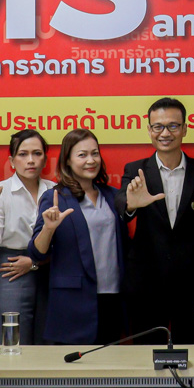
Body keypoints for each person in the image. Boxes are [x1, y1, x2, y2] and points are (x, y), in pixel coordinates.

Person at [117, 98, 194, 344]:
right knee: (145, 355)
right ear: (149, 130)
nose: (165, 133)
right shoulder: (136, 170)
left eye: (173, 126)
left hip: (192, 286)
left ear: (184, 129)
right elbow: (122, 205)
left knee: (190, 352)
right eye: (158, 126)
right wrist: (132, 203)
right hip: (146, 285)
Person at [28, 129, 132, 346]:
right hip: (73, 301)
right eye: (82, 155)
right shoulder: (55, 197)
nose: (90, 160)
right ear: (67, 160)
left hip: (113, 295)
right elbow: (37, 253)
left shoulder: (113, 195)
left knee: (110, 362)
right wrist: (48, 229)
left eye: (95, 153)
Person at [0, 129, 55, 346]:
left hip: (50, 268)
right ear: (11, 161)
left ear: (45, 159)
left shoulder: (56, 191)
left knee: (49, 340)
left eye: (37, 153)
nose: (31, 160)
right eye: (23, 154)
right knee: (11, 340)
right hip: (11, 269)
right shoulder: (0, 190)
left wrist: (35, 262)